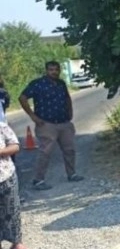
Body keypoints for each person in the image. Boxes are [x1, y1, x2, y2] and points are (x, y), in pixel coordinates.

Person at [19, 60, 84, 190]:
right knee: (45, 152)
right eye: (51, 69)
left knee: (69, 150)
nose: (54, 72)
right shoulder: (37, 84)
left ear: (59, 70)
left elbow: (67, 98)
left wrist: (70, 113)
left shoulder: (61, 83)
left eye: (56, 69)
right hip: (46, 124)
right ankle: (38, 180)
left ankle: (72, 174)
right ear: (46, 70)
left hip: (64, 123)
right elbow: (22, 97)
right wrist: (33, 116)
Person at [0, 121, 26, 249]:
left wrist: (1, 151)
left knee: (12, 209)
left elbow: (15, 146)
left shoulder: (1, 126)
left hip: (6, 176)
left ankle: (17, 242)